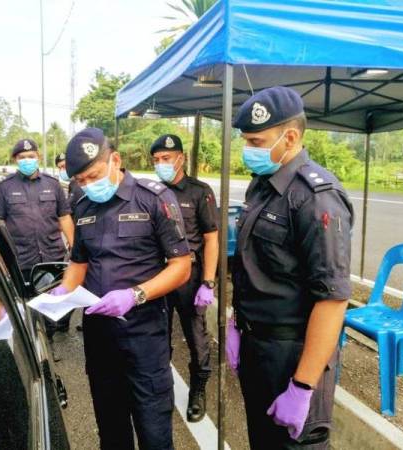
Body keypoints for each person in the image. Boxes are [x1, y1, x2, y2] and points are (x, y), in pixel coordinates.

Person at [226, 86, 353, 450]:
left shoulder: (315, 197)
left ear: (291, 136)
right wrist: (238, 323)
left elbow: (332, 300)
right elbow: (254, 266)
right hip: (257, 347)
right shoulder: (261, 186)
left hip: (293, 354)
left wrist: (301, 386)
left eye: (256, 140)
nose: (249, 149)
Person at [55, 127, 191, 449]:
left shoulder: (153, 198)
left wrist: (135, 295)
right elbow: (79, 263)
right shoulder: (84, 207)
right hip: (100, 336)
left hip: (144, 336)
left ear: (115, 160)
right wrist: (62, 293)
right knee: (111, 430)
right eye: (81, 181)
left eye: (93, 175)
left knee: (154, 432)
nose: (88, 185)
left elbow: (181, 266)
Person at [150, 134, 219, 422]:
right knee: (158, 335)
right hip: (159, 274)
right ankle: (162, 389)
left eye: (166, 158)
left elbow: (211, 239)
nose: (161, 164)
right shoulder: (151, 192)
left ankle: (198, 391)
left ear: (181, 158)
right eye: (156, 160)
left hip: (189, 276)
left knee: (196, 336)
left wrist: (208, 282)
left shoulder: (199, 191)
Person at [0, 138, 74, 281]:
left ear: (39, 157)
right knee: (25, 303)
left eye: (31, 156)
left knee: (57, 299)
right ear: (15, 160)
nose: (27, 160)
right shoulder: (4, 186)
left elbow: (64, 217)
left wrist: (75, 249)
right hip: (21, 260)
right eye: (21, 157)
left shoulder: (53, 184)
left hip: (54, 258)